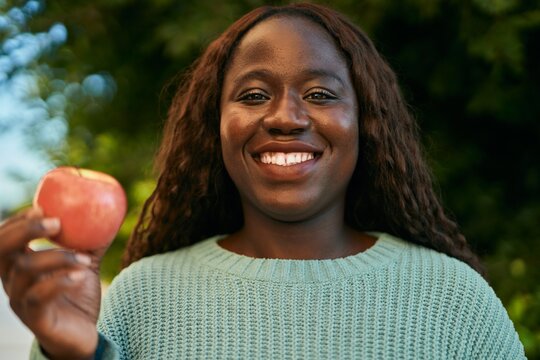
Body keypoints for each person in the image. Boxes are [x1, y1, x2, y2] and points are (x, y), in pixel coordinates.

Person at [0, 3, 525, 359]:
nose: (285, 117)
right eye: (253, 95)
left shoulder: (453, 300)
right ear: (215, 127)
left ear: (367, 123)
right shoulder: (141, 299)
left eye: (320, 94)